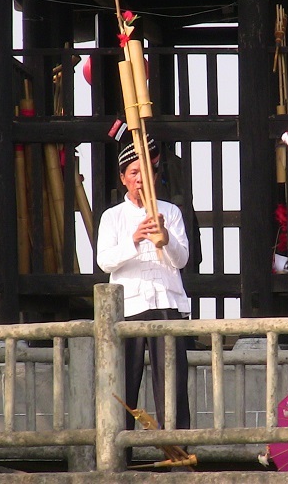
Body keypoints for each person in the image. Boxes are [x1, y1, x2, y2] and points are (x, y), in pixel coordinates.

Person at [97, 137, 191, 434]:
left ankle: (177, 452)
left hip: (166, 304)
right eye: (134, 173)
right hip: (130, 306)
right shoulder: (112, 217)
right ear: (123, 178)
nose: (140, 179)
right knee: (124, 382)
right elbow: (105, 262)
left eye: (145, 173)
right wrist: (135, 239)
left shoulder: (170, 212)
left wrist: (165, 234)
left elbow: (182, 259)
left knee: (172, 384)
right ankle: (118, 454)